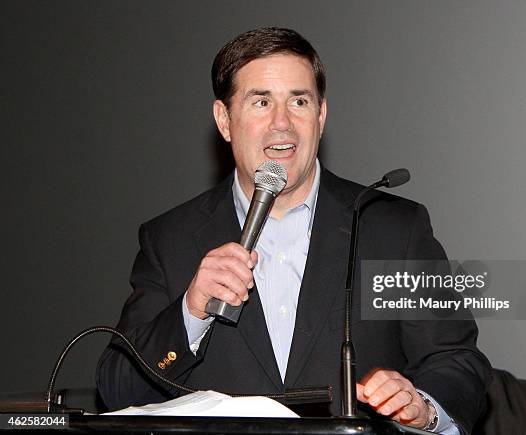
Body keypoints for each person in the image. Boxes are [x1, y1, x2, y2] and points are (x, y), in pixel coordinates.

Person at [97, 27, 491, 434]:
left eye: (298, 101)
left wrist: (422, 409)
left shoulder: (390, 228)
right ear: (224, 120)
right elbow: (116, 388)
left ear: (320, 116)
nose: (281, 123)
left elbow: (456, 361)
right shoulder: (171, 238)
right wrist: (191, 312)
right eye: (261, 102)